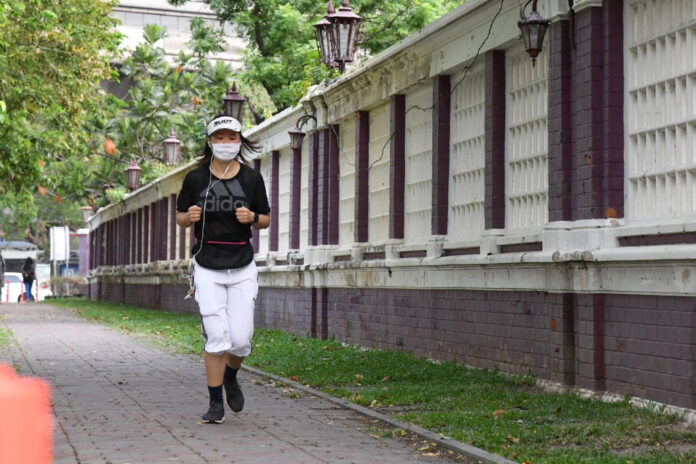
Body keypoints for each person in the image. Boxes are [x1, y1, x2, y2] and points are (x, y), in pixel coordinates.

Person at [176, 114, 271, 424]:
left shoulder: (252, 179)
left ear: (239, 141)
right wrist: (188, 216)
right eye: (221, 137)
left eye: (232, 137)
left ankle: (231, 376)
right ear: (210, 142)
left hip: (242, 265)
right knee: (217, 335)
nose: (227, 143)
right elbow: (180, 216)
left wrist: (252, 219)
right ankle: (215, 403)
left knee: (241, 340)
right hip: (207, 266)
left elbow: (266, 218)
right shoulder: (195, 179)